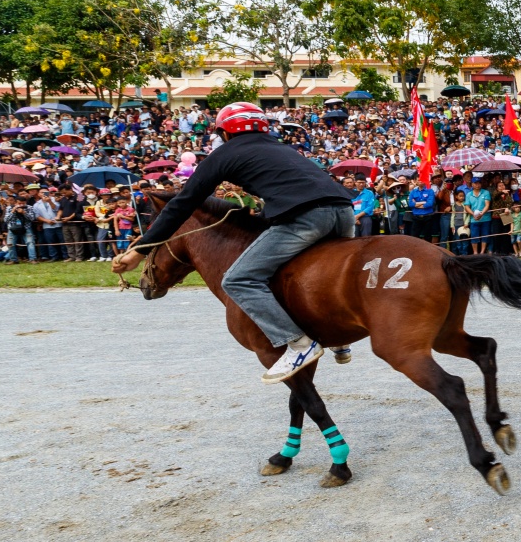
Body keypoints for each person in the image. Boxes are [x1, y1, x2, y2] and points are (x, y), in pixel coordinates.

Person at [112, 102, 356, 384]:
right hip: (344, 212)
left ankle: (299, 345)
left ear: (224, 133)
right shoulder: (283, 148)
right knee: (324, 274)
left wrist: (140, 250)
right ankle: (339, 338)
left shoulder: (225, 153)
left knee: (238, 279)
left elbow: (181, 206)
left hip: (308, 218)